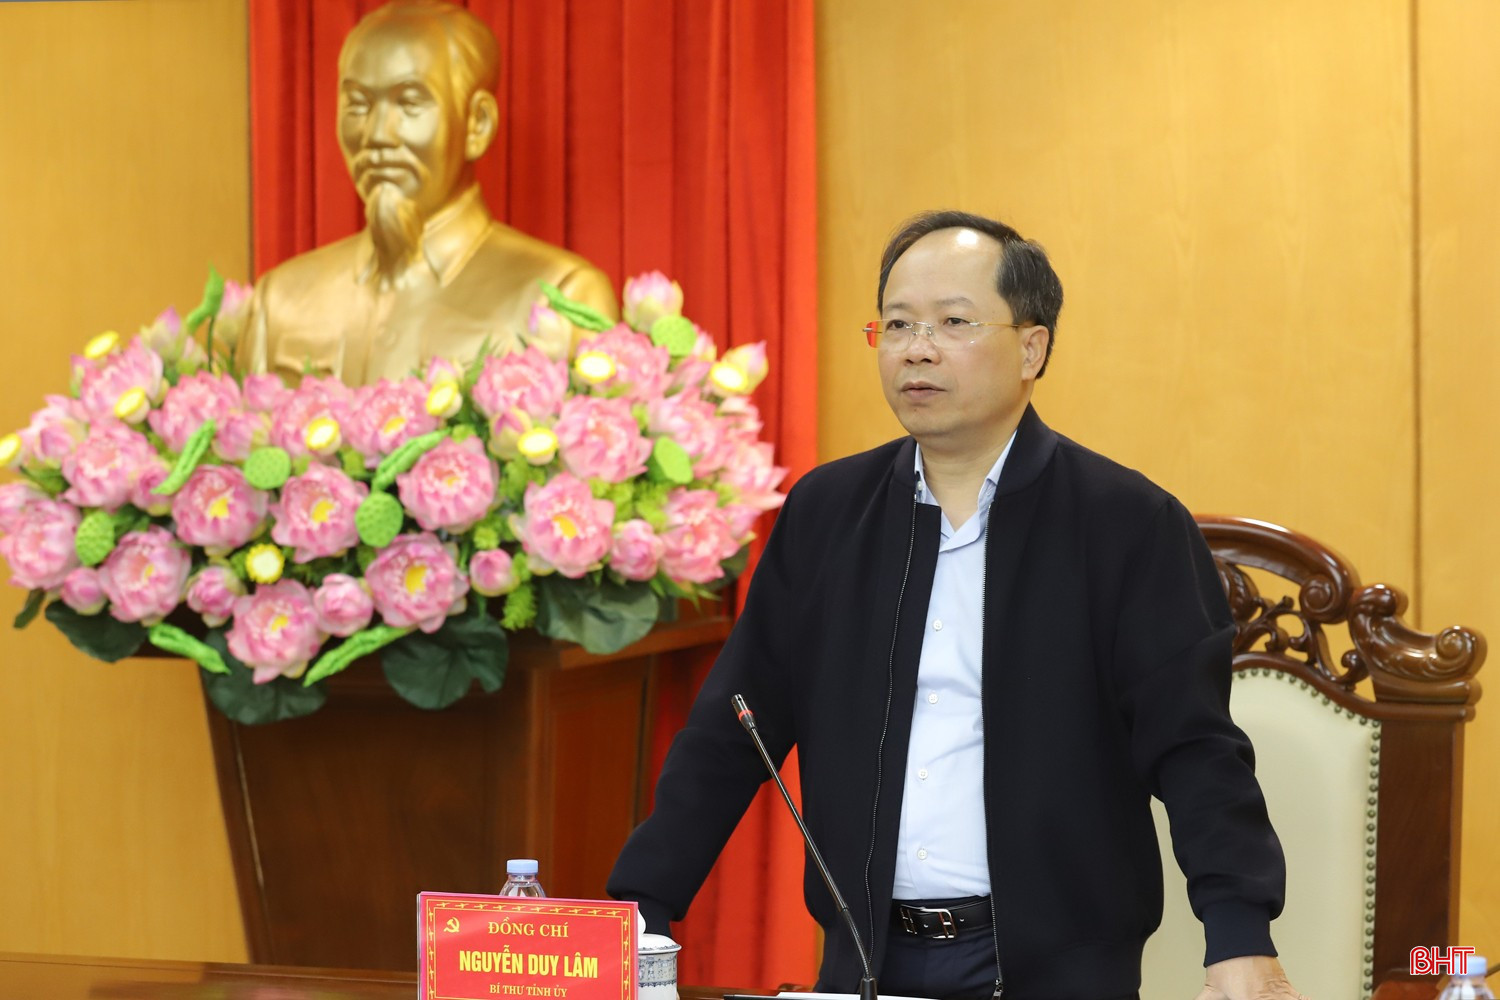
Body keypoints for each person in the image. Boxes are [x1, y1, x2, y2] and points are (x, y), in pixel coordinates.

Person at [607, 211, 1307, 1000]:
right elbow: (734, 727)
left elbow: (1195, 747)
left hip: (1061, 972)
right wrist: (643, 903)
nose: (918, 348)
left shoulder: (1126, 525)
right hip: (864, 961)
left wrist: (1239, 934)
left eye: (953, 322)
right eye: (897, 324)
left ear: (1032, 348)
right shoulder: (828, 513)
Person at [237, 0, 615, 386]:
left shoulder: (561, 299)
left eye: (409, 103)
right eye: (359, 105)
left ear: (477, 123)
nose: (377, 135)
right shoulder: (279, 301)